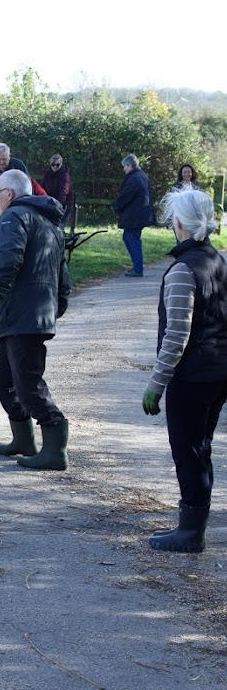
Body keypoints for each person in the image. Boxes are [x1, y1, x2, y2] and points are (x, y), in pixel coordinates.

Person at [141, 187, 227, 553]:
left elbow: (176, 336)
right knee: (200, 448)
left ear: (177, 223)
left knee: (188, 451)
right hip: (218, 373)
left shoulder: (182, 270)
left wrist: (156, 384)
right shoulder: (218, 261)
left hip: (191, 377)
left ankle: (191, 532)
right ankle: (193, 524)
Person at [0, 169, 71, 470]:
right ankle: (24, 440)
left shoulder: (14, 218)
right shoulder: (49, 223)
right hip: (29, 314)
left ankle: (55, 449)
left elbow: (7, 260)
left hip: (23, 315)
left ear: (10, 194)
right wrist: (59, 303)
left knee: (27, 382)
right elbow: (62, 274)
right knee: (0, 378)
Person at [112, 153, 156, 277]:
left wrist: (115, 205)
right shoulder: (140, 176)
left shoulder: (134, 178)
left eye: (125, 166)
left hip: (134, 215)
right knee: (128, 238)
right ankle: (136, 266)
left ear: (130, 165)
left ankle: (138, 268)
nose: (124, 169)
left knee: (132, 239)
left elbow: (126, 196)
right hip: (139, 214)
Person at [0, 143, 29, 244]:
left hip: (16, 211)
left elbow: (27, 188)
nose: (1, 162)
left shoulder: (18, 166)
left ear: (9, 156)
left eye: (4, 159)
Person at [40, 153, 75, 229]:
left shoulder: (64, 175)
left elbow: (64, 191)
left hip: (64, 203)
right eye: (53, 165)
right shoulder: (47, 173)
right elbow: (42, 188)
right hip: (50, 201)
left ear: (61, 164)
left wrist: (58, 205)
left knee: (60, 225)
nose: (55, 167)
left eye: (57, 165)